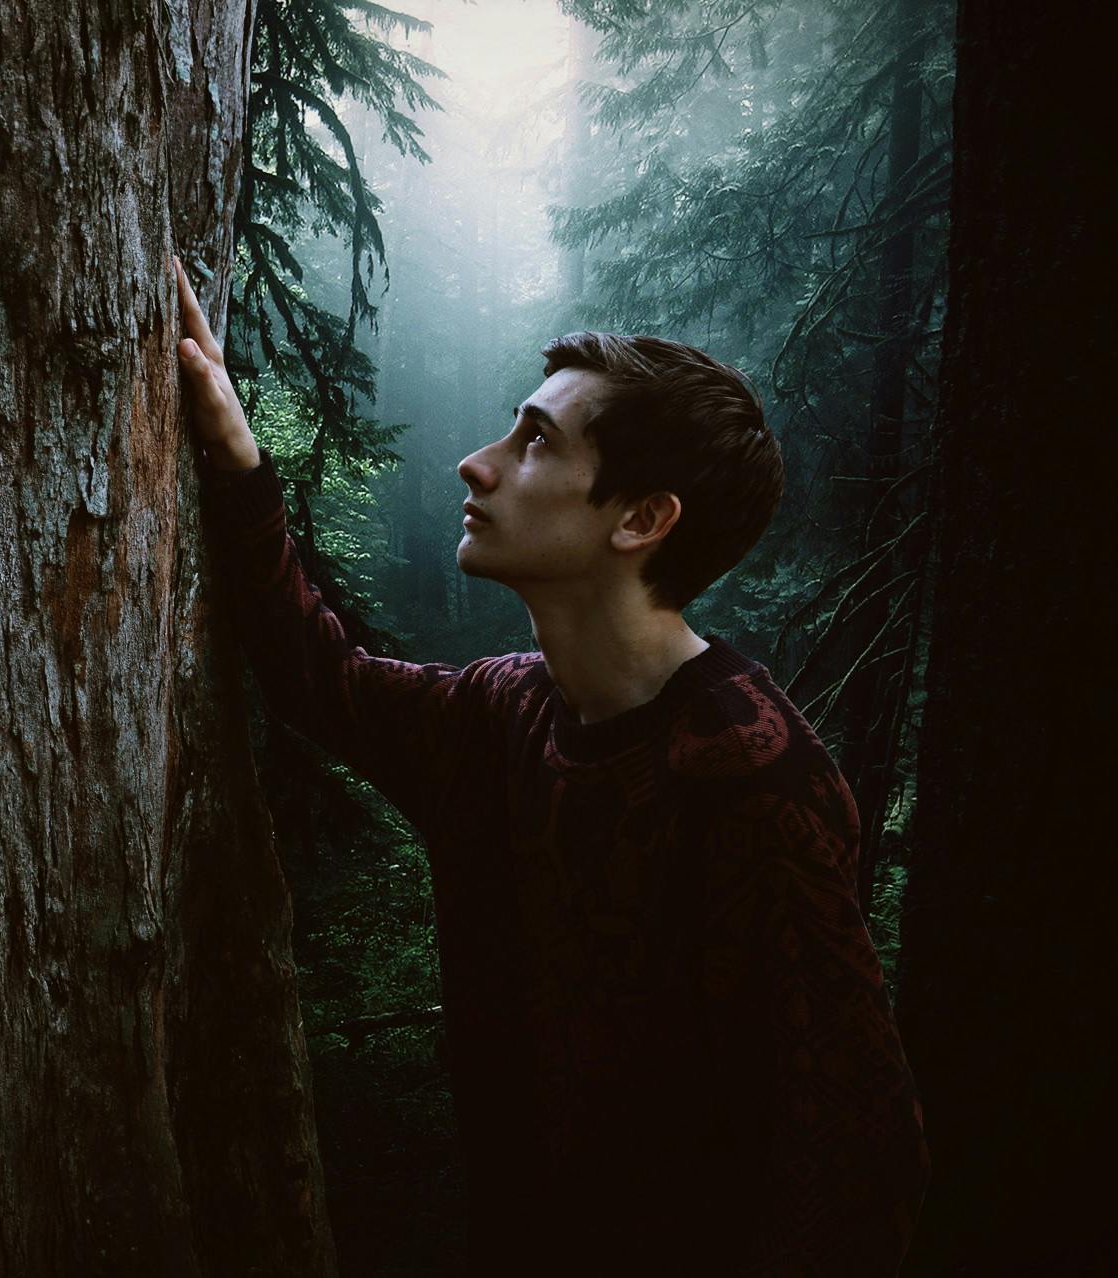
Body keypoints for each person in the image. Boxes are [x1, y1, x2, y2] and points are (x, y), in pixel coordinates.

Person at [171, 256, 928, 1275]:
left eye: (533, 443)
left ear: (639, 519)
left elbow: (853, 1161)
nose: (475, 465)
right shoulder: (503, 711)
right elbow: (320, 677)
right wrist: (233, 459)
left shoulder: (750, 779)